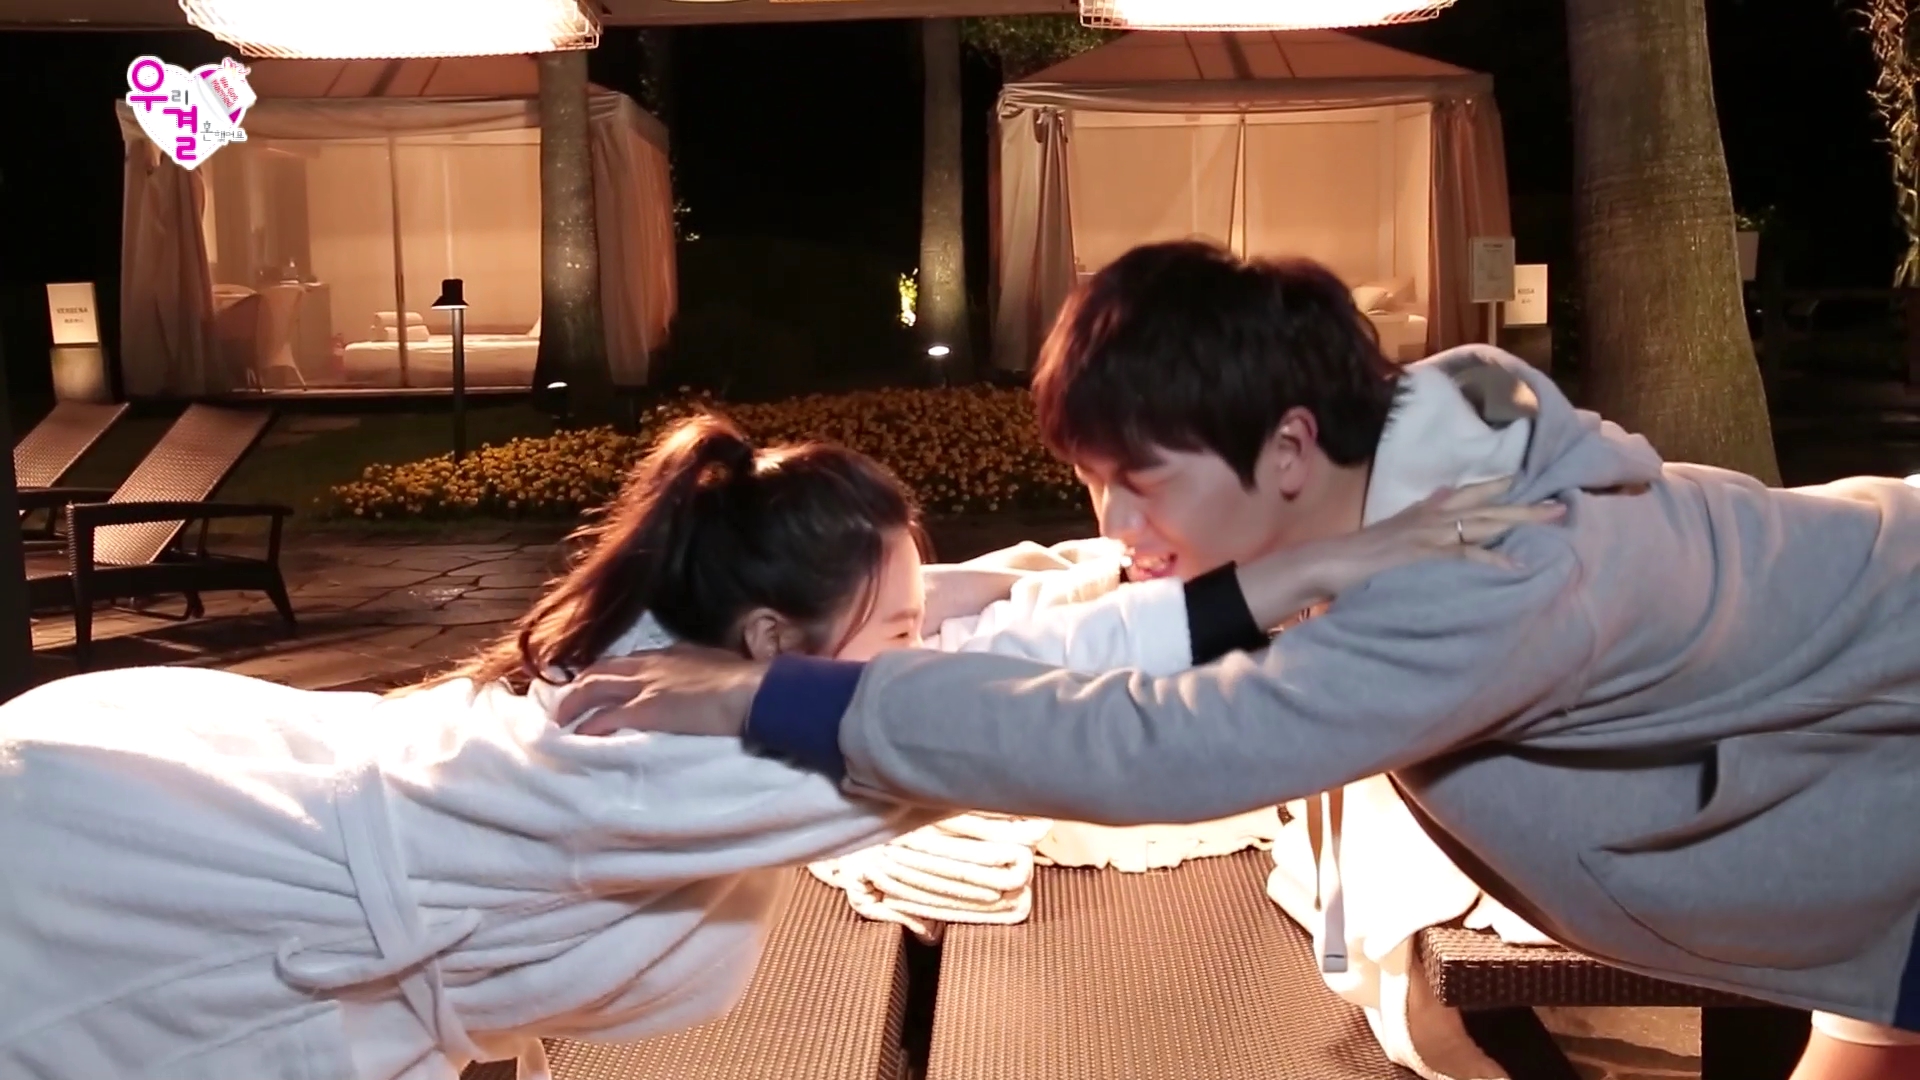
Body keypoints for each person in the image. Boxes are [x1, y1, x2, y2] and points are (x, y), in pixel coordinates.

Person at [557, 242, 1920, 1080]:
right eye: (1096, 481)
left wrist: (786, 698)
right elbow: (1154, 596)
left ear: (1287, 447)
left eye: (1141, 483)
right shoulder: (1401, 460)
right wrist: (920, 610)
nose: (1116, 524)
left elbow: (1164, 748)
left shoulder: (1486, 578)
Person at [0, 411, 1535, 1080]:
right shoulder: (712, 749)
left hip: (200, 790)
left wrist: (1238, 559)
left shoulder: (691, 630)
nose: (918, 640)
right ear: (771, 647)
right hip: (161, 876)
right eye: (892, 625)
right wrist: (1322, 580)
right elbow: (1048, 692)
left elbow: (993, 611)